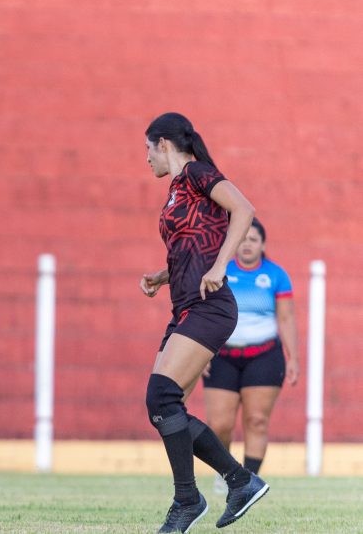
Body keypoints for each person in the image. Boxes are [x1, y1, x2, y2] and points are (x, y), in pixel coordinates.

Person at [139, 112, 268, 532]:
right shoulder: (176, 190)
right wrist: (164, 275)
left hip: (210, 305)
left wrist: (221, 265)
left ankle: (196, 497)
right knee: (162, 406)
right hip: (185, 305)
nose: (146, 160)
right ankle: (230, 484)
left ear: (164, 144)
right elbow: (194, 242)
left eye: (147, 149)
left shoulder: (196, 173)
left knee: (163, 396)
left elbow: (244, 210)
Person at [202, 218, 299, 494]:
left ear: (263, 245)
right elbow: (206, 315)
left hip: (264, 356)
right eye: (242, 239)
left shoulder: (277, 275)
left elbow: (286, 317)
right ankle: (225, 472)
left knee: (256, 420)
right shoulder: (219, 272)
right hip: (222, 356)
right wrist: (201, 353)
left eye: (253, 239)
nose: (247, 245)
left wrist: (293, 358)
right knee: (220, 424)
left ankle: (247, 484)